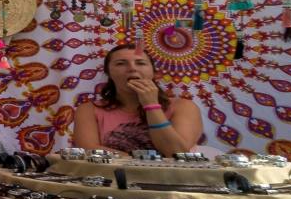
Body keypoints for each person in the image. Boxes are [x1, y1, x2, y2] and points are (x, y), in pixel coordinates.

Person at [71, 43, 203, 155]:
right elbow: (90, 151)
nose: (132, 68)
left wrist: (151, 105)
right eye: (121, 63)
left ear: (153, 72)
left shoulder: (184, 107)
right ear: (108, 73)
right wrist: (141, 163)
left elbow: (176, 153)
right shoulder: (89, 110)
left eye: (140, 63)